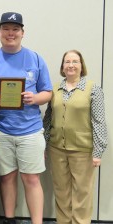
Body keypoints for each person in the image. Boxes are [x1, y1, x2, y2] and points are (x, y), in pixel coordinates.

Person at [0, 12, 53, 224]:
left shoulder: (35, 58)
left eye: (15, 29)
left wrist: (34, 98)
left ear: (22, 33)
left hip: (31, 130)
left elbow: (48, 92)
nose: (11, 33)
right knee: (7, 178)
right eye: (6, 29)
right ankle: (9, 220)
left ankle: (37, 222)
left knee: (31, 178)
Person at [43, 50, 108, 224]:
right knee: (61, 192)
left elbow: (99, 121)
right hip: (57, 149)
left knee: (82, 193)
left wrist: (98, 152)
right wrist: (44, 145)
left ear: (81, 66)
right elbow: (48, 119)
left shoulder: (93, 89)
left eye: (75, 61)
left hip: (83, 151)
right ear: (62, 67)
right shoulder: (55, 88)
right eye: (67, 61)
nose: (71, 65)